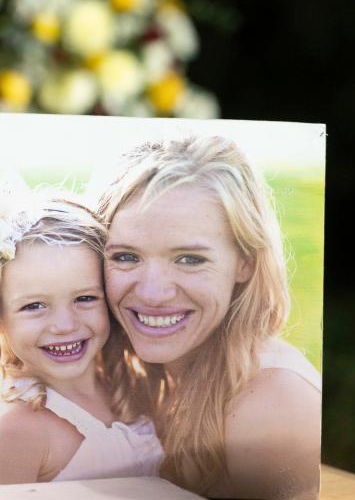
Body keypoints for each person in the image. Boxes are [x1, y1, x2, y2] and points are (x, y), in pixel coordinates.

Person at [98, 135, 322, 500]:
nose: (153, 293)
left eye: (189, 259)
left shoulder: (273, 403)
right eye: (126, 256)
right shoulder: (143, 375)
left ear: (245, 263)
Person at [0, 173, 163, 484]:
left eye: (84, 298)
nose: (64, 325)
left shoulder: (129, 385)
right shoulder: (21, 431)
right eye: (34, 306)